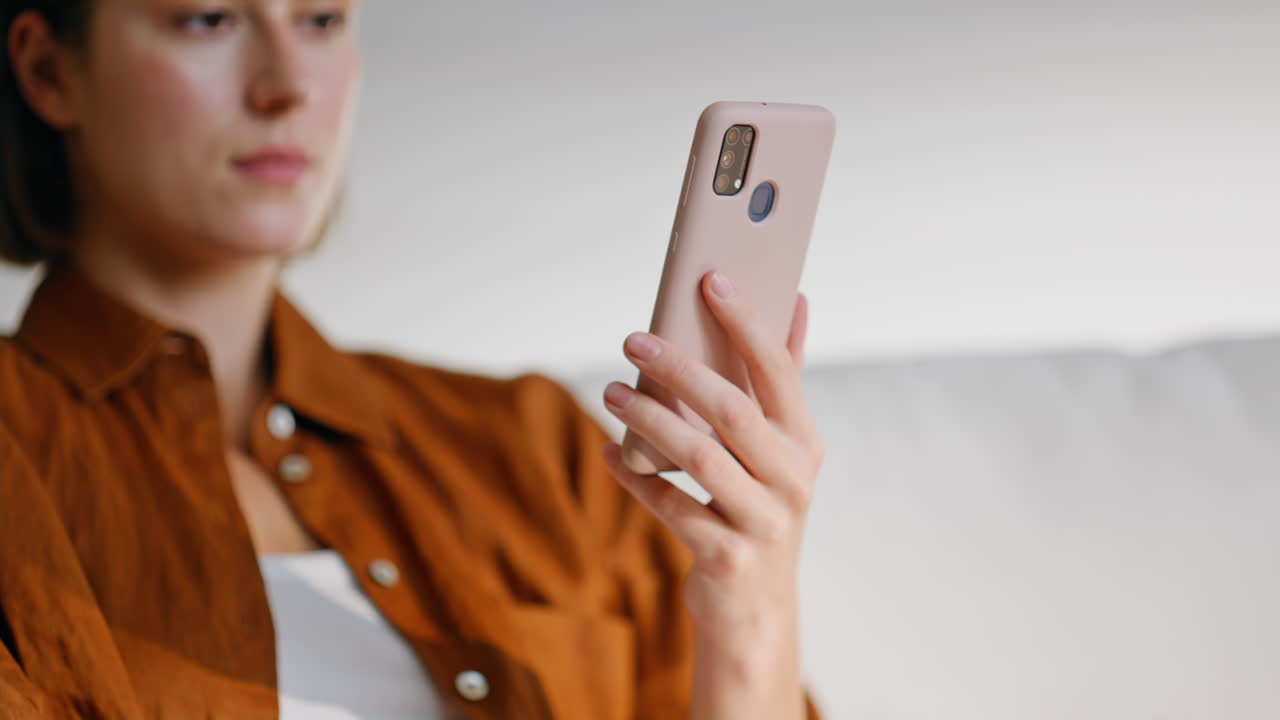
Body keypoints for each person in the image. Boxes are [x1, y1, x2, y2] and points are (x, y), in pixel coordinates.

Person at [0, 1, 827, 718]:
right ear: (48, 71)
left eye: (322, 20)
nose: (286, 84)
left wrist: (751, 619)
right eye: (209, 18)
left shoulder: (544, 451)